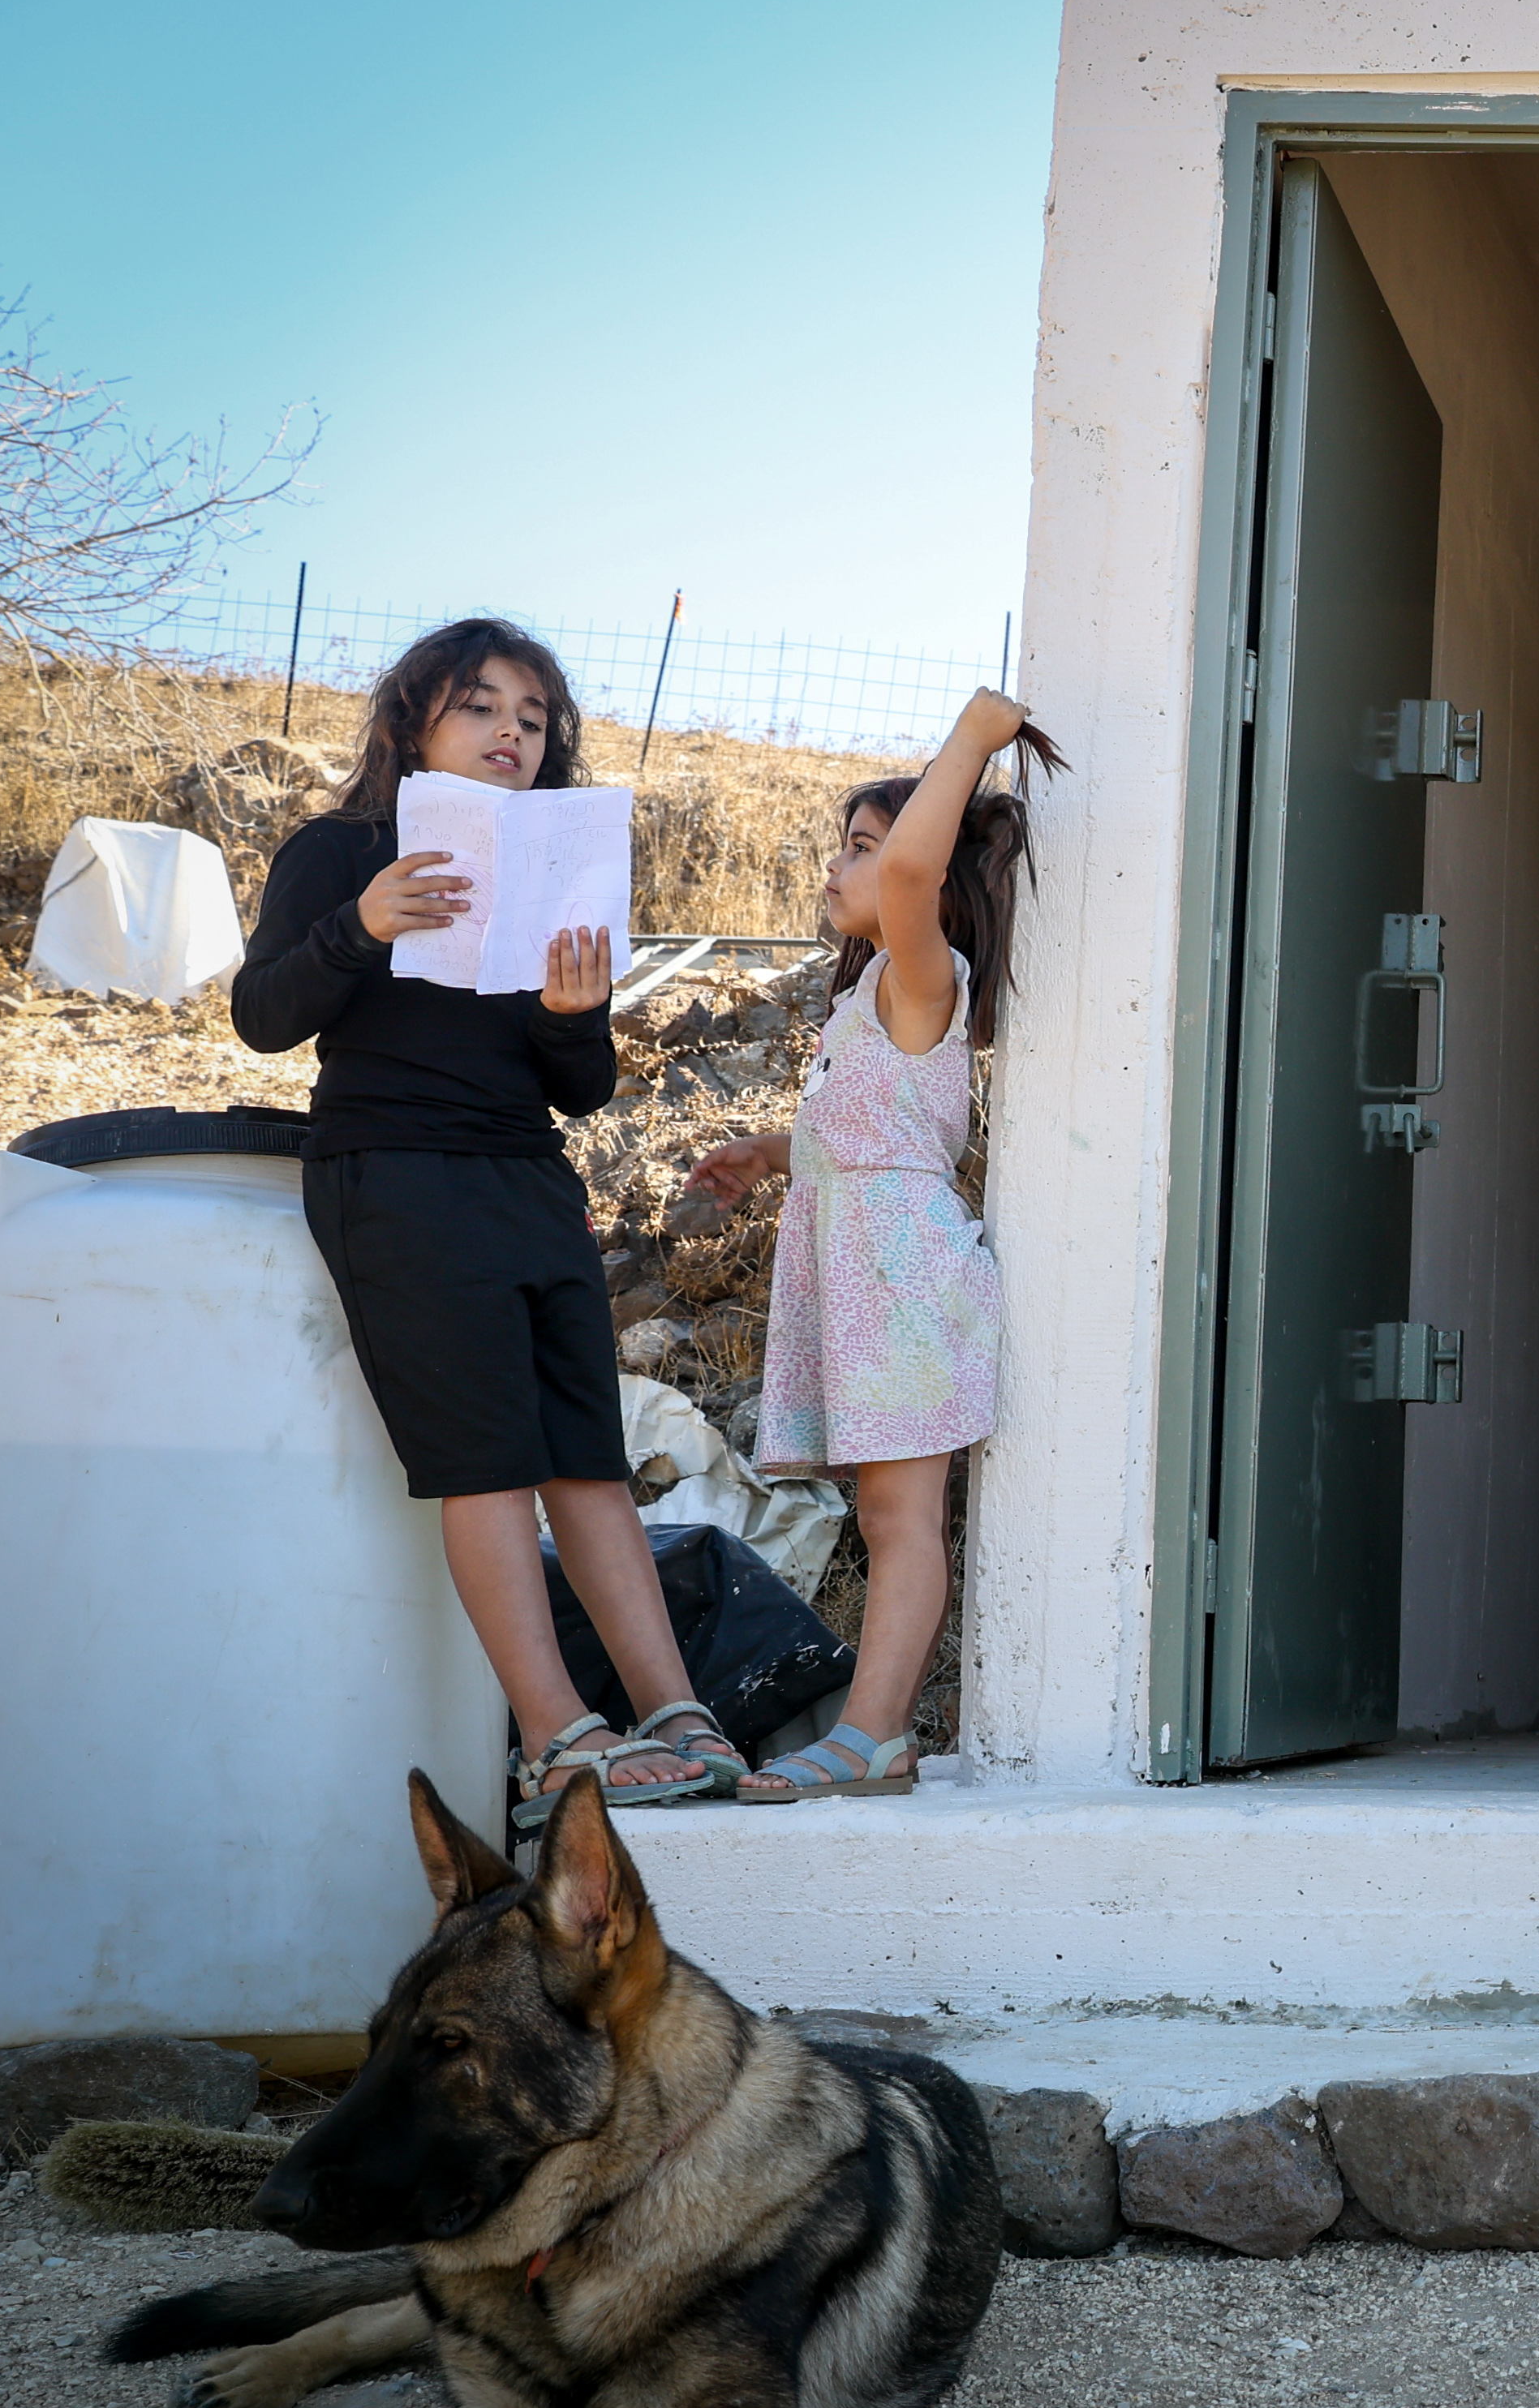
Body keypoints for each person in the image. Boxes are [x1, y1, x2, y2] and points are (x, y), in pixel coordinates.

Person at [234, 616, 744, 1828]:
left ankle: (674, 1713)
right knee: (489, 1463)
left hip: (530, 1177)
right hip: (399, 1175)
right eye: (482, 706)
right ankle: (555, 1738)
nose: (512, 732)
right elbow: (261, 1017)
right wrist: (361, 923)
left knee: (587, 1459)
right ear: (415, 718)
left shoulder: (556, 866)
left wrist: (576, 1013)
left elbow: (581, 1087)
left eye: (532, 717)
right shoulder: (341, 849)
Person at [682, 690, 1052, 1800]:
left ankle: (877, 1731)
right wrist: (766, 1149)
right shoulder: (864, 1010)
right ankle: (872, 1729)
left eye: (861, 847)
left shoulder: (919, 974)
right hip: (865, 1282)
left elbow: (907, 883)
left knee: (900, 1518)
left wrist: (970, 745)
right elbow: (865, 1135)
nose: (841, 870)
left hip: (902, 1284)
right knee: (884, 1514)